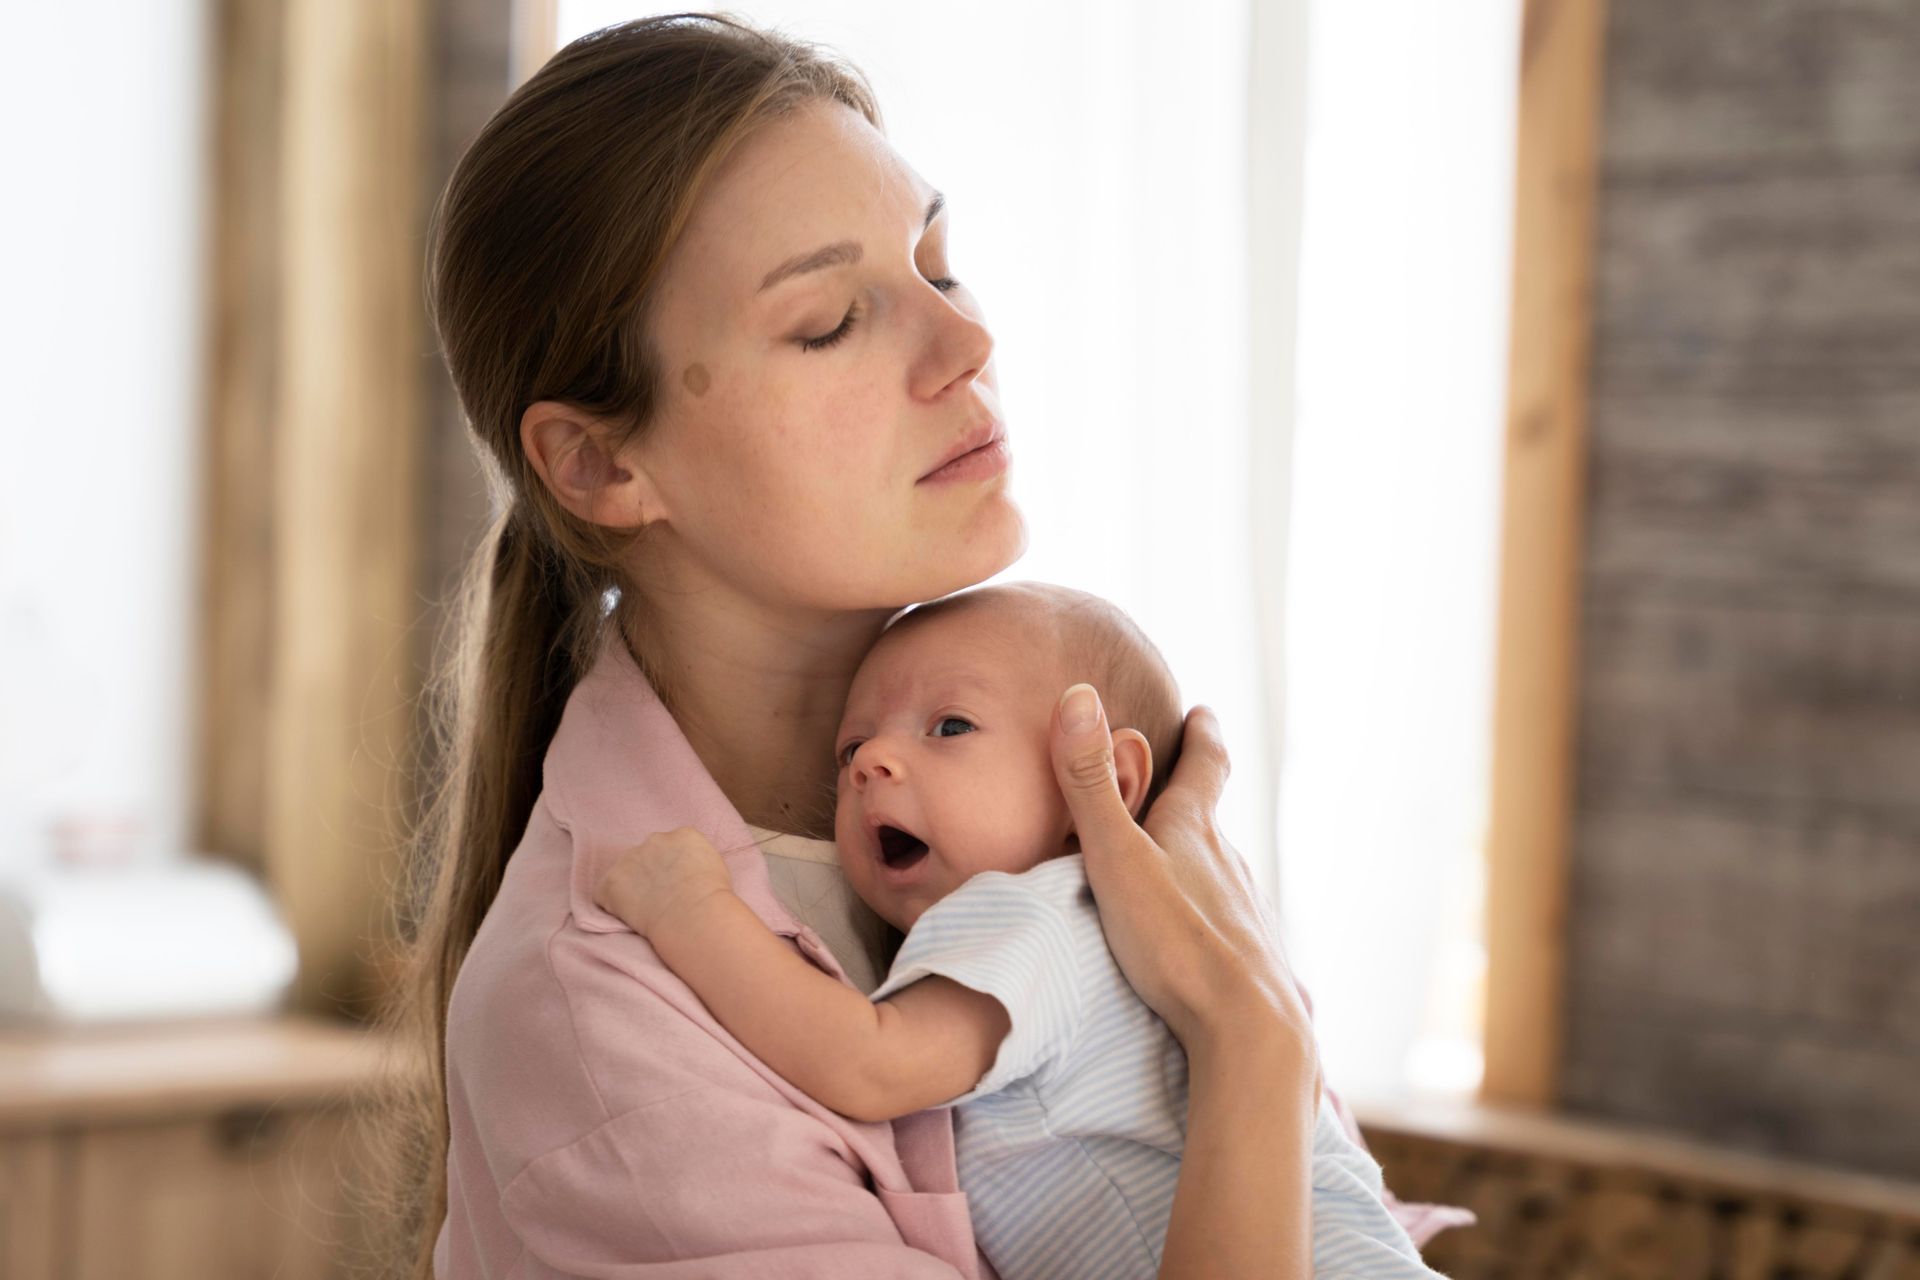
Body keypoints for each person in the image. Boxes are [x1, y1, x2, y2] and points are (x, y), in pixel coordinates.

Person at [372, 13, 1443, 1279]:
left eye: (939, 263)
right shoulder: (603, 1022)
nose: (967, 342)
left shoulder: (1064, 772)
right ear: (603, 461)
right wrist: (1252, 1046)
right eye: (830, 320)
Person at [589, 580, 1450, 1279]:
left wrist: (691, 912)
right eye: (852, 749)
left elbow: (867, 1061)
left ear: (1105, 783)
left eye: (950, 727)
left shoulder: (1036, 911)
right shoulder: (1158, 936)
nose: (871, 764)